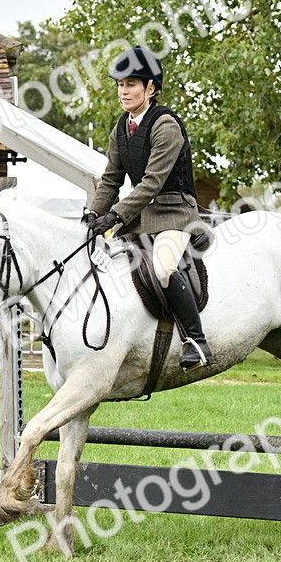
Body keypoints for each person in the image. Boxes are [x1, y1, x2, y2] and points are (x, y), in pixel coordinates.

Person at [82, 46, 213, 371]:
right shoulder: (120, 129)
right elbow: (111, 180)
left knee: (164, 268)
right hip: (141, 218)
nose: (123, 91)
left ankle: (196, 341)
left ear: (151, 88)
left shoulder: (165, 125)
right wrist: (95, 214)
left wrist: (116, 216)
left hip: (175, 215)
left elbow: (152, 183)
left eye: (131, 85)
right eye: (120, 85)